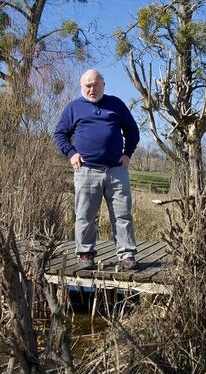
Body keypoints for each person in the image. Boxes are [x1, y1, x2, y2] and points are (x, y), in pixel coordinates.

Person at [53, 69, 140, 270]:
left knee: (122, 213)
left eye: (95, 85)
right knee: (85, 214)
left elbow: (132, 130)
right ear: (82, 87)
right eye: (88, 86)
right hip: (86, 170)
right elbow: (60, 134)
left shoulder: (116, 104)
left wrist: (128, 153)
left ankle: (126, 255)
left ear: (103, 85)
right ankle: (85, 253)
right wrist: (71, 153)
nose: (92, 89)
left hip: (116, 170)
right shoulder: (73, 108)